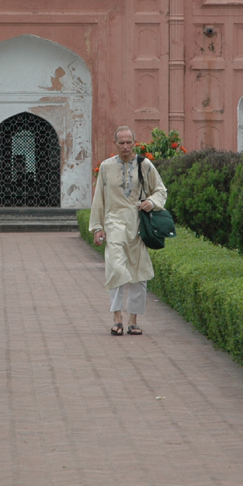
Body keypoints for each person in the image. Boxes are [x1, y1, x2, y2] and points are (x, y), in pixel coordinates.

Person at [88, 125, 167, 336]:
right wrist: (97, 228)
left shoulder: (145, 165)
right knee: (116, 268)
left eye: (128, 142)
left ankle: (133, 319)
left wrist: (151, 201)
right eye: (121, 142)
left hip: (138, 226)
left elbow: (160, 190)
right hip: (114, 223)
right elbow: (99, 199)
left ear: (135, 142)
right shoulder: (106, 167)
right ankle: (117, 317)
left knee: (138, 273)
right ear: (115, 144)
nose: (125, 146)